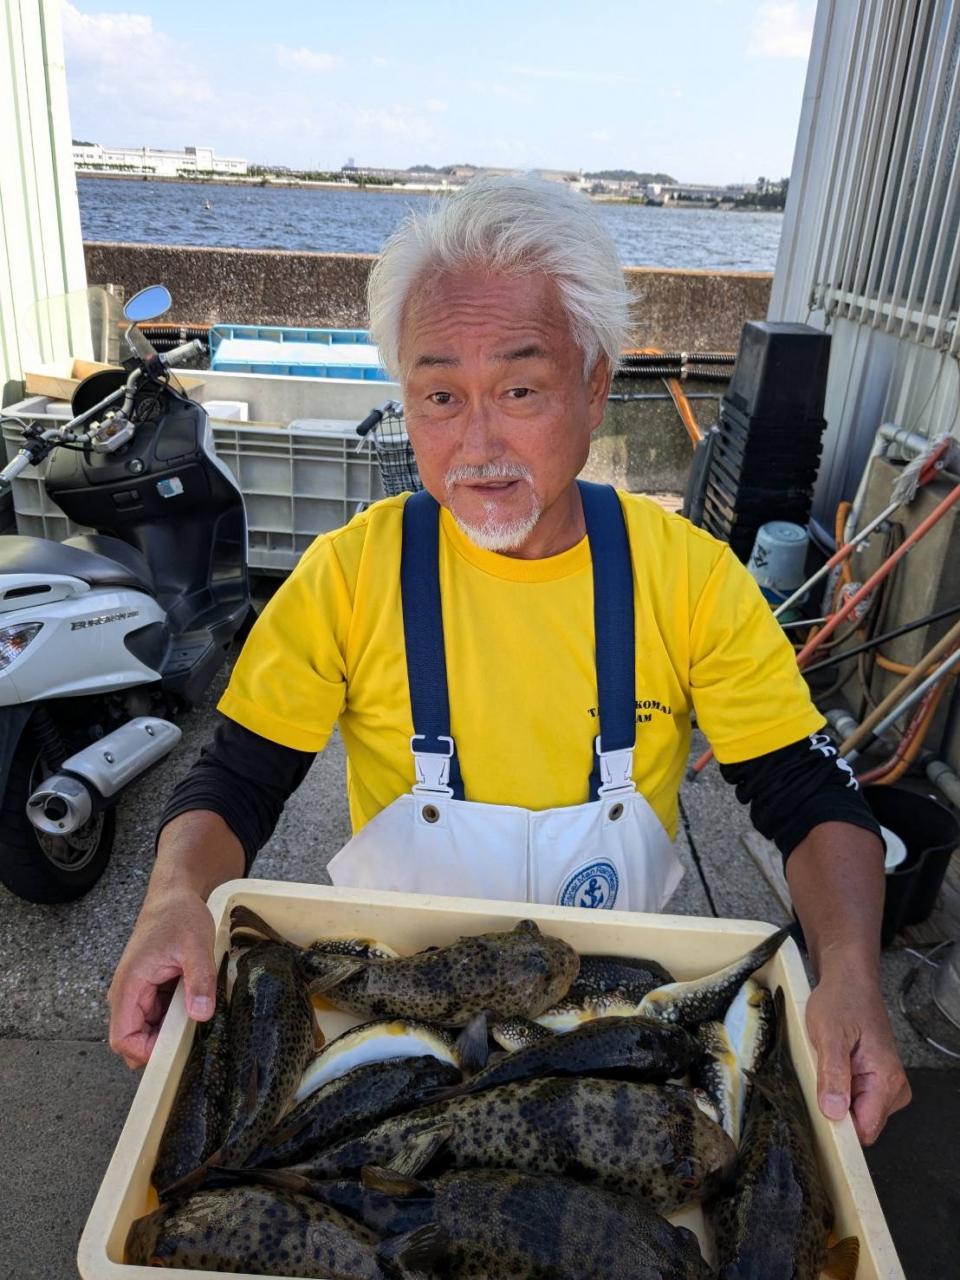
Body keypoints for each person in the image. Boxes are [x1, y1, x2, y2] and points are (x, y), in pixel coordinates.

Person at [108, 175, 910, 1145]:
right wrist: (173, 899)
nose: (478, 443)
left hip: (612, 1020)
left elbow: (809, 793)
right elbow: (237, 778)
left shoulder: (690, 580)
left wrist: (851, 975)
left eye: (520, 389)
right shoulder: (348, 576)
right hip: (398, 1014)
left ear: (596, 384)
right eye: (440, 395)